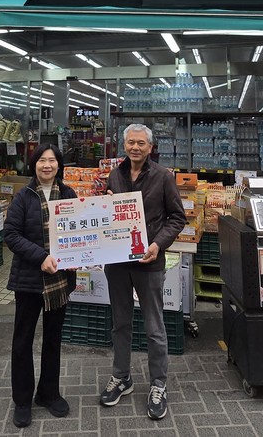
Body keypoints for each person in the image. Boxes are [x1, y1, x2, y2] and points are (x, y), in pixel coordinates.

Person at [100, 123, 186, 420]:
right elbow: (107, 215)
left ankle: (159, 384)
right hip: (117, 262)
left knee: (154, 327)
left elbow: (177, 218)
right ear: (124, 145)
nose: (135, 147)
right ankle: (121, 376)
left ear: (150, 147)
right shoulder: (115, 174)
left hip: (149, 261)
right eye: (131, 142)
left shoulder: (163, 176)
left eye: (141, 143)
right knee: (120, 323)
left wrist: (158, 245)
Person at [4, 144, 77, 427]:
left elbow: (79, 232)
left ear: (59, 165)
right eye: (42, 161)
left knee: (53, 338)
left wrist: (80, 256)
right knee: (22, 341)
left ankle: (48, 393)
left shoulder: (69, 195)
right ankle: (22, 400)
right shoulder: (23, 196)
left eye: (52, 160)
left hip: (59, 281)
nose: (47, 165)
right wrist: (41, 257)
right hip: (29, 280)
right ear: (34, 165)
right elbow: (11, 235)